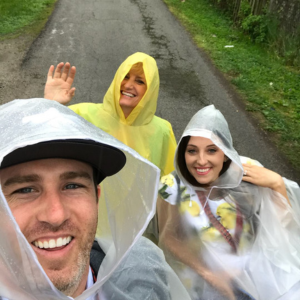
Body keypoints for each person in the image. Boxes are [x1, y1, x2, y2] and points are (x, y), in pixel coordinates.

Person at [0, 98, 191, 300]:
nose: (56, 215)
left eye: (73, 186)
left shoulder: (144, 278)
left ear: (96, 198)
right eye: (25, 190)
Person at [157, 105, 300, 300]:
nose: (201, 161)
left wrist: (277, 184)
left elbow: (282, 229)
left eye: (211, 150)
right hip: (202, 284)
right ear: (182, 153)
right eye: (192, 151)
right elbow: (169, 237)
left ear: (224, 153)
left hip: (254, 278)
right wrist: (211, 276)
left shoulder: (246, 172)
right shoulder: (172, 186)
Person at [44, 52, 177, 177]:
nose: (129, 85)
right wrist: (50, 105)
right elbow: (41, 140)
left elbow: (172, 183)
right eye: (125, 77)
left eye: (140, 81)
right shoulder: (82, 115)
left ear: (151, 90)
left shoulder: (162, 131)